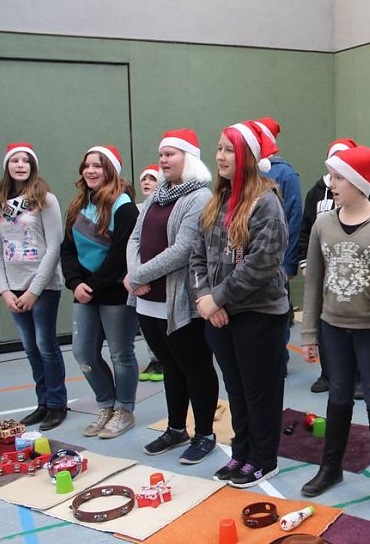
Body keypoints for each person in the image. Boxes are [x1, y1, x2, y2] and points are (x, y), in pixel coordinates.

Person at [299, 145, 370, 512]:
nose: (331, 184)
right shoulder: (323, 224)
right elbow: (314, 282)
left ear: (360, 183)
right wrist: (309, 333)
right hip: (333, 329)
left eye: (339, 178)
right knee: (338, 397)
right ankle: (331, 468)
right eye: (331, 177)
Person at [190, 120, 289, 488]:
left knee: (260, 393)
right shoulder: (216, 202)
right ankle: (242, 452)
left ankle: (263, 459)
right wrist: (208, 300)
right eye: (219, 148)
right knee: (237, 392)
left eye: (229, 150)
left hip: (258, 317)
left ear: (247, 156)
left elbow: (262, 263)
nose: (221, 156)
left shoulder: (266, 202)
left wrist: (218, 297)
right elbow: (197, 257)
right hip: (219, 316)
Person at [126, 129, 219, 464]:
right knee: (170, 367)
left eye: (170, 154)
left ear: (188, 158)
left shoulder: (199, 197)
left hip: (180, 302)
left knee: (196, 368)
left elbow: (183, 249)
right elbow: (135, 237)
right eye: (161, 154)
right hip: (147, 301)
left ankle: (205, 433)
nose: (163, 160)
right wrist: (134, 274)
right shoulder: (158, 193)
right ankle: (176, 428)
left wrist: (138, 275)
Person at [61, 145, 139, 439]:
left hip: (115, 292)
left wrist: (93, 285)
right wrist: (75, 283)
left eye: (98, 165)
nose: (91, 171)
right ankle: (106, 405)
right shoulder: (77, 205)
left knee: (121, 354)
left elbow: (121, 254)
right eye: (87, 165)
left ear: (111, 171)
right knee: (83, 352)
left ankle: (124, 410)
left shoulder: (124, 206)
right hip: (83, 292)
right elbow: (67, 249)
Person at [0, 143, 68, 431]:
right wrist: (5, 290)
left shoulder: (45, 200)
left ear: (33, 166)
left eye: (26, 161)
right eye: (15, 160)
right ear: (7, 165)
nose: (20, 165)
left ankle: (57, 403)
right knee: (30, 348)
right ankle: (43, 402)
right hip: (14, 288)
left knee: (45, 345)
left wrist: (34, 290)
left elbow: (54, 247)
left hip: (42, 286)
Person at [298, 138, 370, 396]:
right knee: (325, 325)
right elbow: (305, 230)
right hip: (323, 274)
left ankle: (359, 377)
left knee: (354, 329)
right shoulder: (316, 194)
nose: (336, 181)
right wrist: (306, 261)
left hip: (351, 273)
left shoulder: (367, 197)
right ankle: (328, 374)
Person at [254, 117, 302, 371]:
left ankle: (277, 361)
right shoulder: (246, 172)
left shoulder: (285, 174)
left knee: (276, 313)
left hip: (277, 262)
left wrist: (289, 263)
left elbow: (294, 218)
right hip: (248, 262)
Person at [136, 163, 164, 383]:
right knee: (146, 325)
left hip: (160, 275)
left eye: (151, 179)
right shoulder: (138, 209)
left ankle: (162, 359)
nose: (146, 182)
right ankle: (154, 358)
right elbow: (133, 241)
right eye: (143, 179)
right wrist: (136, 274)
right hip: (140, 279)